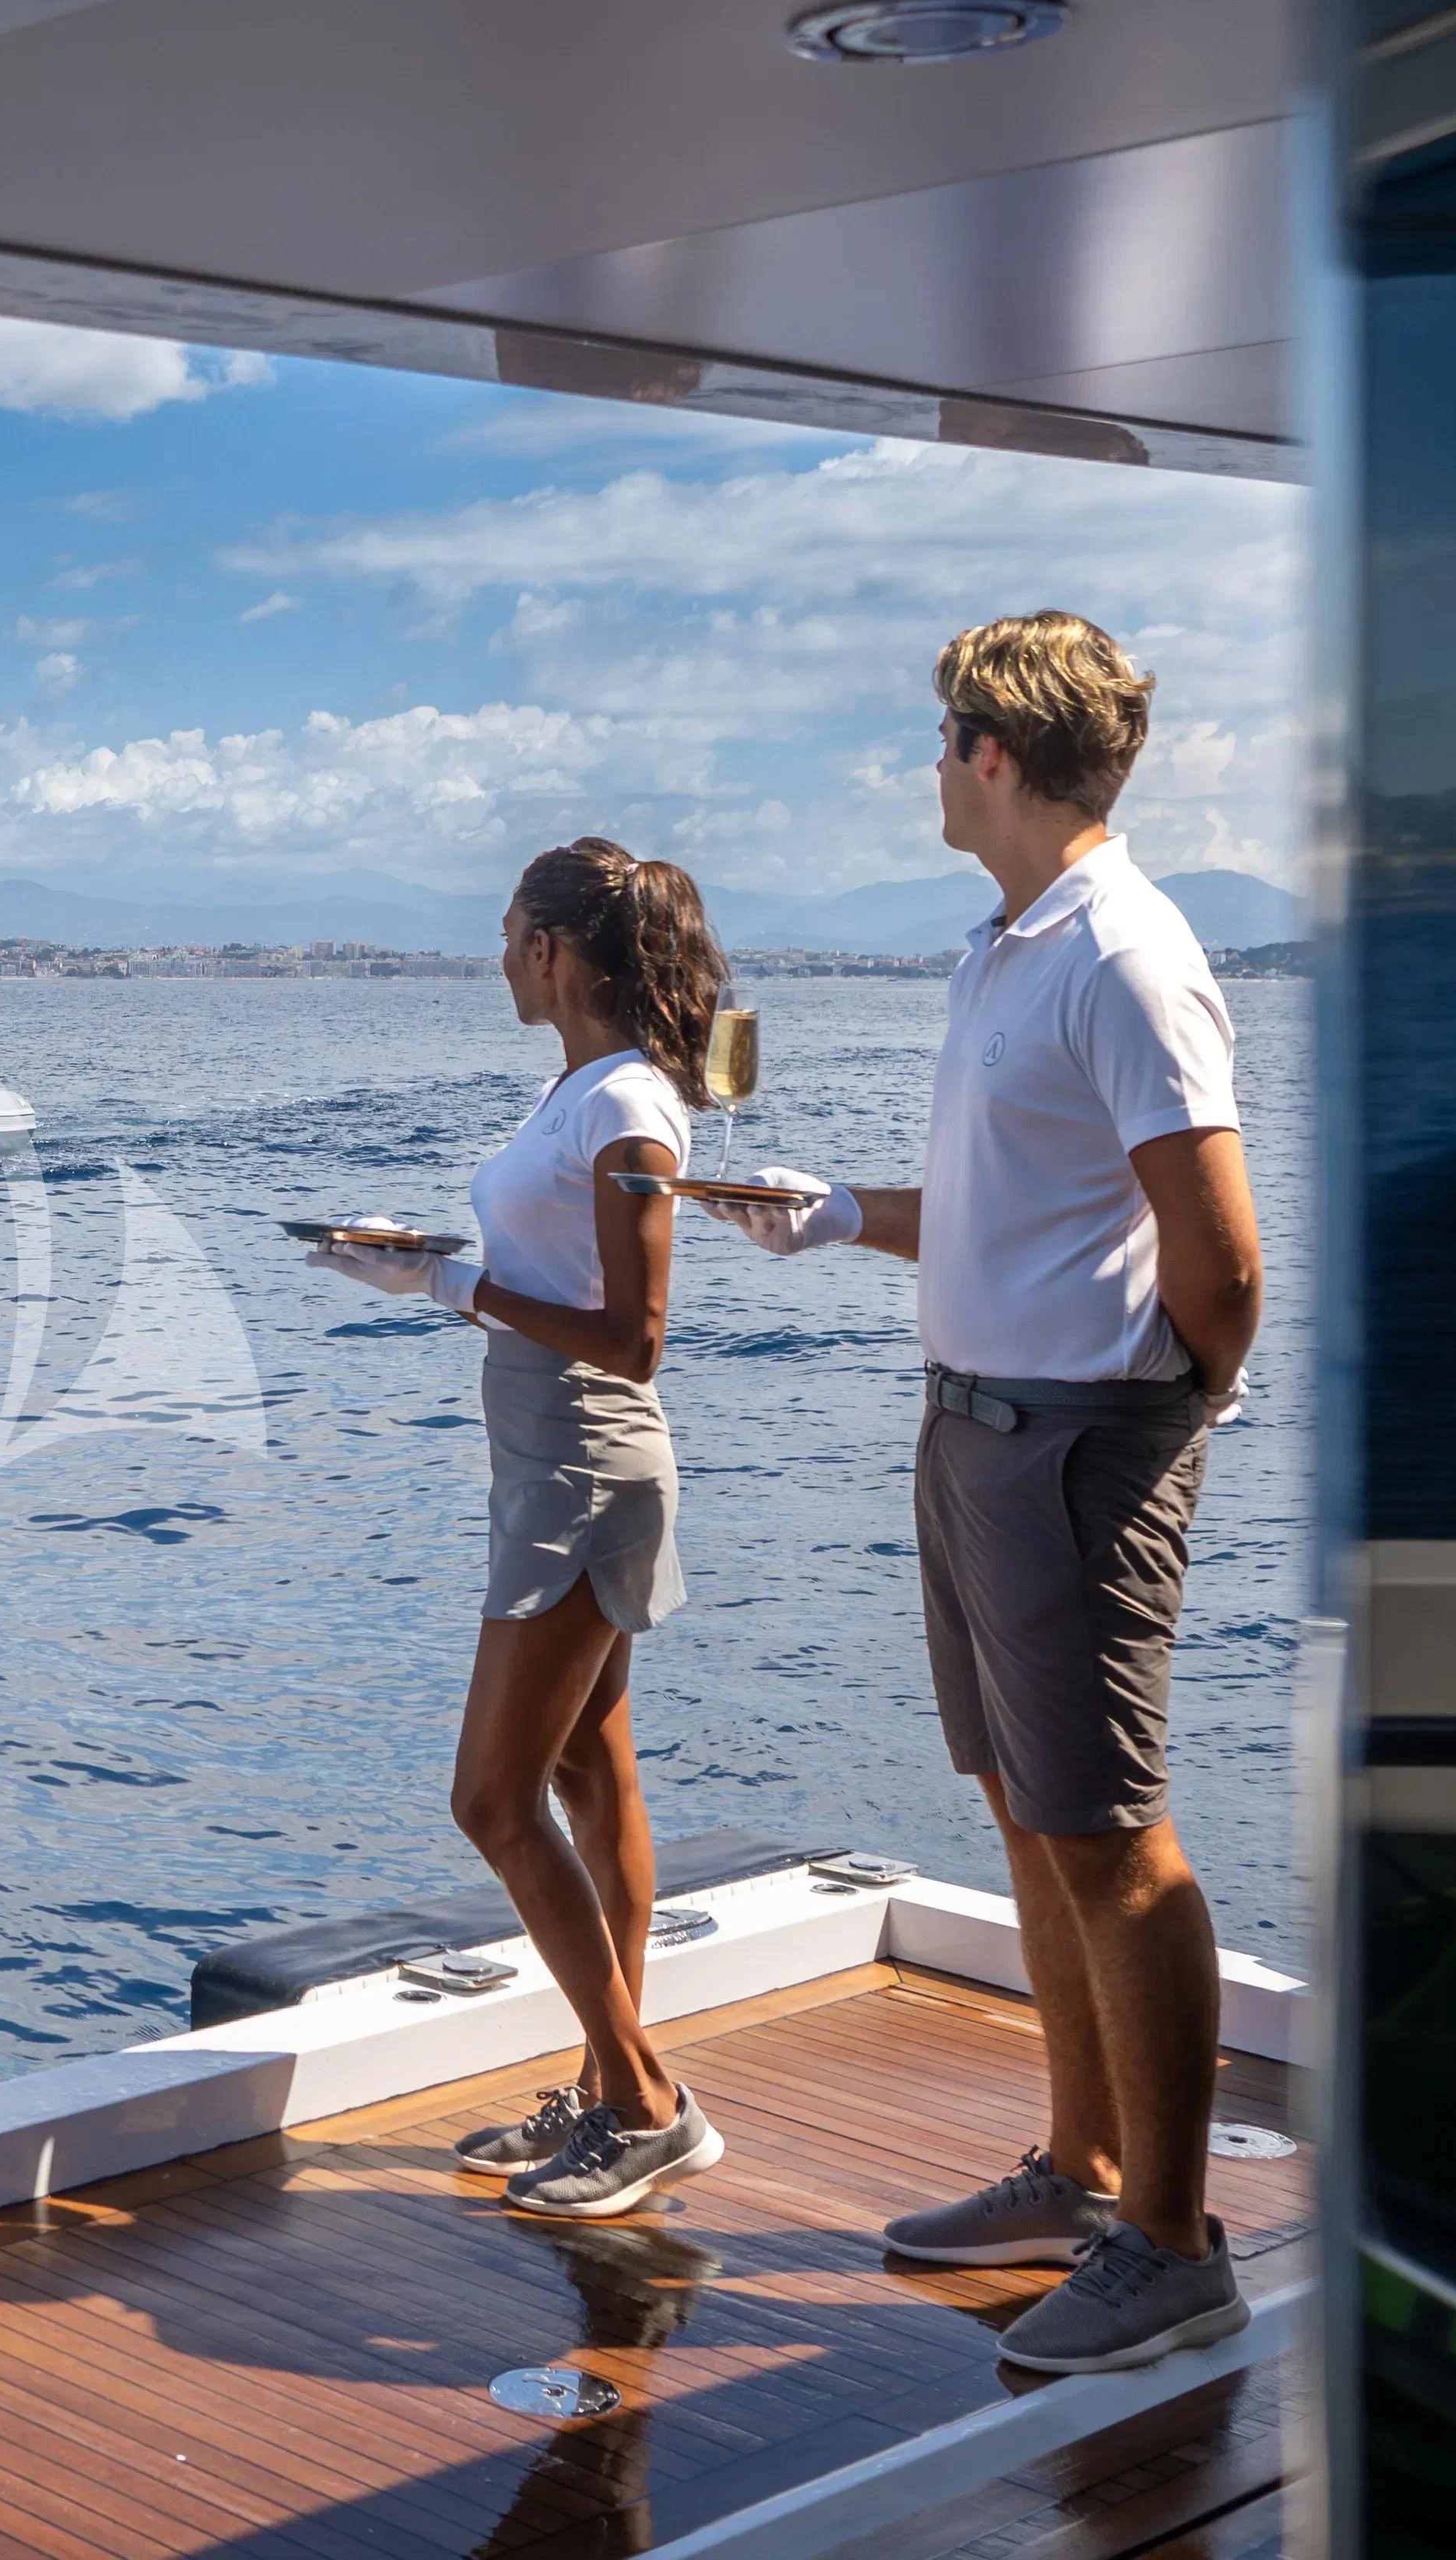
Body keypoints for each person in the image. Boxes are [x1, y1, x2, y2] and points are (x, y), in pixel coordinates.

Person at [718, 612, 1263, 2373]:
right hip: (976, 1429)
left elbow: (1224, 1260)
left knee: (1108, 1824)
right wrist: (842, 1216)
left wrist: (1171, 1412)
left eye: (943, 734)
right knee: (1029, 1802)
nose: (929, 764)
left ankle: (1174, 2244)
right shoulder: (1005, 952)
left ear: (995, 754)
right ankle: (1085, 2168)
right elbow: (1022, 1216)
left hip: (1076, 1441)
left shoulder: (1122, 955)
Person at [305, 836, 730, 2220]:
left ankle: (644, 2102)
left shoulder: (627, 1112)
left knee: (492, 1798)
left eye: (506, 934)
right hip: (551, 1461)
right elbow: (549, 1280)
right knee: (592, 1783)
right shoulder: (586, 1093)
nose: (497, 957)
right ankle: (616, 2092)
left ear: (554, 952)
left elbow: (636, 1337)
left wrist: (450, 1285)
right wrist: (428, 1265)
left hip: (583, 1472)